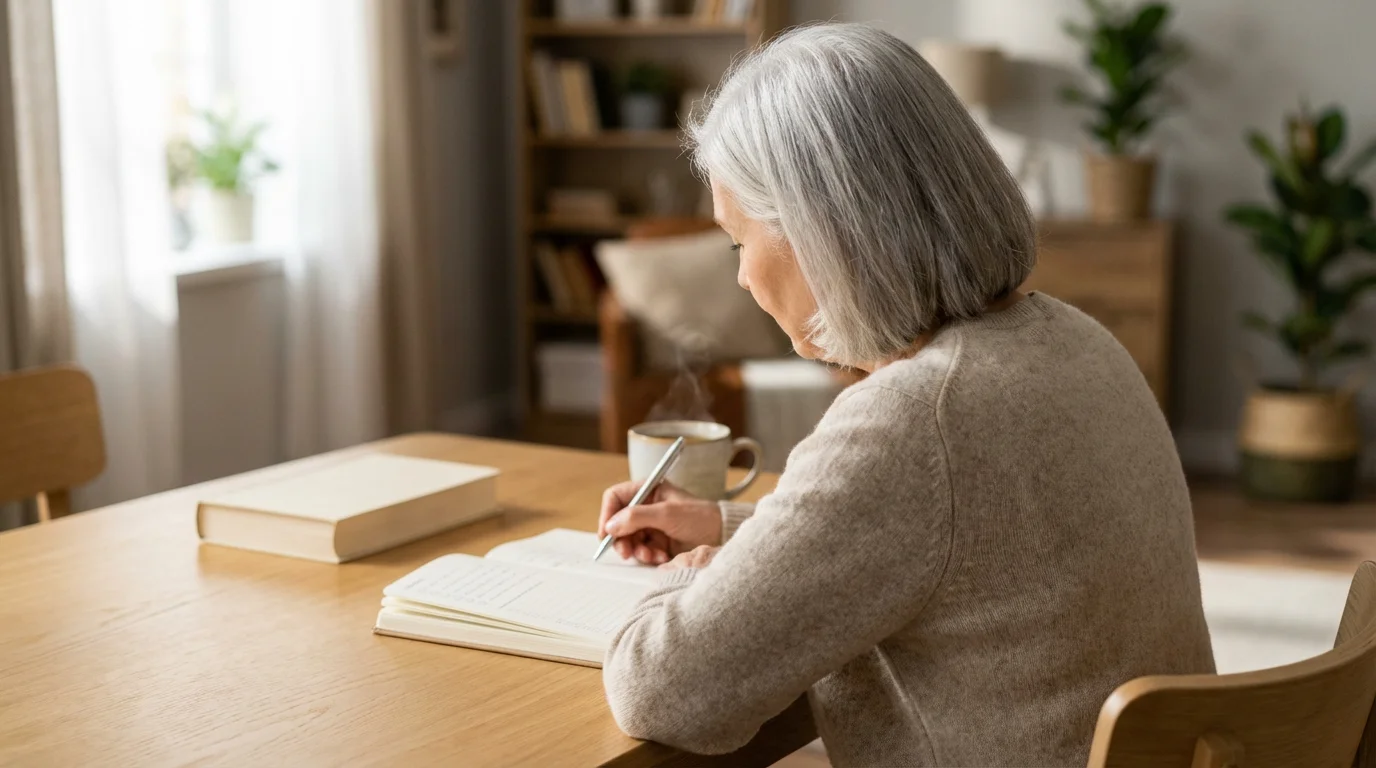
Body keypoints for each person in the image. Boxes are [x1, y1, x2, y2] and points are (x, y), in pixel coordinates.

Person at [596, 22, 1214, 767]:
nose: (741, 278)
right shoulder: (1076, 339)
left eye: (738, 243)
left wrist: (688, 580)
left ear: (821, 230)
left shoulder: (912, 421)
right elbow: (956, 540)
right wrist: (728, 529)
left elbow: (662, 692)